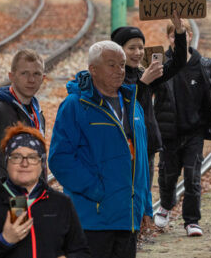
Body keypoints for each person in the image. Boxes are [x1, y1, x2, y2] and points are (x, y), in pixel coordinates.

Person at [48, 40, 152, 258]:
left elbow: (141, 158)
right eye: (111, 65)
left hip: (127, 217)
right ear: (93, 70)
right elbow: (60, 159)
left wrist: (145, 204)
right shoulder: (75, 105)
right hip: (93, 219)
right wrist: (98, 191)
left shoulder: (133, 105)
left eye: (122, 65)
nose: (120, 70)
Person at [153, 21, 211, 237]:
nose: (179, 38)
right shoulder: (161, 63)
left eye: (184, 33)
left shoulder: (203, 64)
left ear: (189, 35)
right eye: (174, 35)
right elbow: (147, 91)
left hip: (194, 130)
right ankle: (166, 205)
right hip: (169, 131)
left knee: (192, 175)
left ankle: (191, 220)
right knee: (167, 175)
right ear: (169, 38)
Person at [0, 123, 91, 258]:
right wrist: (4, 241)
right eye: (16, 157)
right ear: (7, 162)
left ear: (41, 164)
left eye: (32, 157)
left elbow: (81, 251)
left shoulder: (61, 203)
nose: (25, 163)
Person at [110, 14, 187, 189]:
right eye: (131, 48)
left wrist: (180, 31)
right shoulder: (112, 76)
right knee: (126, 195)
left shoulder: (142, 72)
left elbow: (178, 63)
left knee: (143, 195)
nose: (137, 53)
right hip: (124, 147)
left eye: (140, 47)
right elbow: (124, 106)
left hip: (146, 145)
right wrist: (143, 83)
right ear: (118, 50)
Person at [0, 49, 45, 186]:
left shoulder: (37, 114)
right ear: (11, 76)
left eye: (36, 74)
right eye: (24, 73)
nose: (31, 80)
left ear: (43, 78)